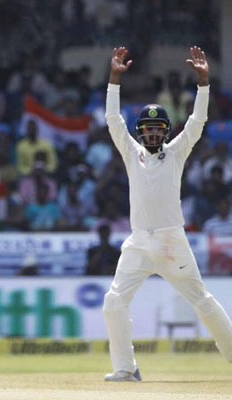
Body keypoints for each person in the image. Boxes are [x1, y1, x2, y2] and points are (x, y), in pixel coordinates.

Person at [102, 46, 232, 382]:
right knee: (113, 302)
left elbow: (197, 123)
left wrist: (203, 84)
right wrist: (114, 79)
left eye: (158, 128)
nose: (153, 133)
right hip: (138, 244)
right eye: (148, 128)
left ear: (166, 131)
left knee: (202, 301)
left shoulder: (176, 153)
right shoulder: (131, 152)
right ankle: (126, 368)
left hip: (172, 243)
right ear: (140, 131)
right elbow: (113, 120)